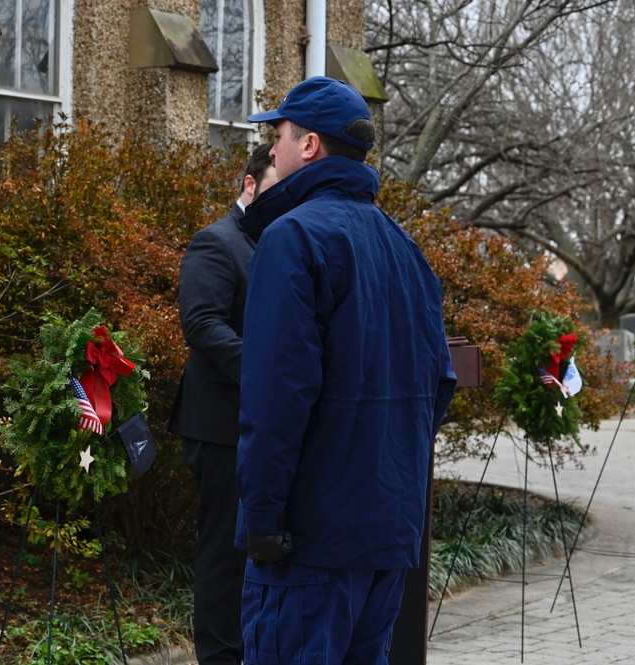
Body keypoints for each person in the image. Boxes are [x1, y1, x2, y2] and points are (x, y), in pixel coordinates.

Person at [235, 77, 457, 664]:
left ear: (309, 145)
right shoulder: (404, 247)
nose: (272, 147)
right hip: (385, 535)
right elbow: (439, 384)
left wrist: (260, 514)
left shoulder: (294, 237)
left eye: (278, 134)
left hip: (310, 543)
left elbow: (276, 395)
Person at [169, 142, 277, 665]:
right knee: (223, 554)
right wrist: (268, 373)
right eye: (275, 192)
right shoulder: (216, 241)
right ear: (249, 185)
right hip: (220, 428)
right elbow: (203, 325)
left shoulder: (278, 243)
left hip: (262, 425)